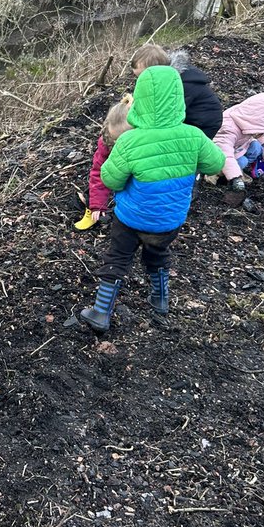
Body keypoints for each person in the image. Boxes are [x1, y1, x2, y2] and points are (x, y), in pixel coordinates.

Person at [79, 65, 225, 331]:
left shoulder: (130, 141)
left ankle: (100, 312)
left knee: (118, 258)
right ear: (178, 98)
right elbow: (216, 164)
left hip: (131, 219)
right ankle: (160, 302)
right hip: (169, 220)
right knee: (158, 256)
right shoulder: (193, 135)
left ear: (140, 100)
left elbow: (110, 180)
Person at [130, 43, 223, 138]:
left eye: (143, 77)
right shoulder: (166, 81)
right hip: (190, 119)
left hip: (204, 124)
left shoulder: (181, 85)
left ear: (158, 72)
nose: (140, 81)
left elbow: (167, 113)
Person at [74, 94, 133, 230]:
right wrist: (97, 205)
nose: (118, 145)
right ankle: (90, 207)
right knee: (96, 184)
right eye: (115, 141)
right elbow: (98, 173)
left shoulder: (143, 143)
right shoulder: (106, 143)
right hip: (116, 170)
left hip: (134, 175)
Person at [213, 93, 264, 205]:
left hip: (239, 147)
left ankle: (240, 169)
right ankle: (222, 175)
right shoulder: (228, 128)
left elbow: (259, 130)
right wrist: (236, 178)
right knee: (242, 161)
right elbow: (224, 155)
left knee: (256, 147)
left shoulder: (245, 116)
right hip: (221, 156)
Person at [169, 49, 223, 138]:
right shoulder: (185, 78)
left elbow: (175, 110)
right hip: (198, 119)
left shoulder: (184, 84)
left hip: (205, 123)